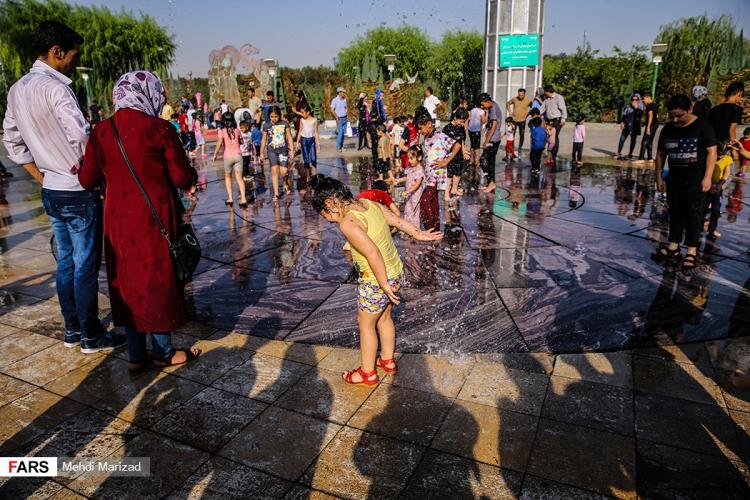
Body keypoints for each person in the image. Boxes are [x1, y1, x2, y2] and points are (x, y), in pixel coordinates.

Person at [3, 20, 125, 353]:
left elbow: (12, 144)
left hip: (52, 189)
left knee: (66, 262)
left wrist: (42, 176)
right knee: (85, 263)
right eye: (72, 55)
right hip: (76, 189)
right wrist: (97, 177)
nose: (74, 61)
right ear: (57, 52)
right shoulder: (56, 88)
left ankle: (72, 330)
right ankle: (91, 335)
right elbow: (83, 137)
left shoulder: (16, 90)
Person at [79, 70, 199, 369]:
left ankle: (135, 355)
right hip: (155, 215)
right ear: (150, 93)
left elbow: (86, 179)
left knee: (127, 279)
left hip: (118, 218)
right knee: (155, 278)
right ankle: (163, 351)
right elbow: (182, 177)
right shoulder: (159, 128)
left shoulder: (102, 131)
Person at [310, 175, 442, 385]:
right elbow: (396, 221)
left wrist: (382, 284)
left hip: (377, 280)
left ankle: (367, 372)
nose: (326, 219)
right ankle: (387, 360)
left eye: (324, 214)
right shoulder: (369, 204)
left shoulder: (349, 223)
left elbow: (372, 253)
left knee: (366, 324)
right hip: (395, 271)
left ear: (330, 204)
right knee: (384, 317)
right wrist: (418, 234)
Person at [654, 93, 717, 273]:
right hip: (674, 178)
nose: (675, 119)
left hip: (696, 179)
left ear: (690, 109)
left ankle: (691, 250)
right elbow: (660, 154)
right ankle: (673, 246)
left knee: (693, 214)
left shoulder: (703, 126)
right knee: (674, 212)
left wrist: (707, 177)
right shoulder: (667, 129)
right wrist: (658, 176)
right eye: (672, 115)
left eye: (679, 115)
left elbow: (712, 152)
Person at [416, 113, 455, 229]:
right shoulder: (427, 137)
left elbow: (456, 145)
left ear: (429, 124)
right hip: (429, 175)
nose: (419, 131)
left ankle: (429, 228)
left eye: (420, 128)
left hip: (437, 175)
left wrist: (446, 161)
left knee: (424, 201)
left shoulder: (439, 135)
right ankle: (435, 228)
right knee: (433, 202)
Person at [213, 111, 249, 208]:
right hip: (238, 156)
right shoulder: (237, 130)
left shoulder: (222, 131)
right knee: (239, 179)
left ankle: (230, 198)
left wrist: (215, 154)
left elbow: (220, 142)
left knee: (228, 177)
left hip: (228, 157)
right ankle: (243, 199)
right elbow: (241, 141)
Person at [260, 105, 295, 199]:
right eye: (272, 116)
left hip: (283, 150)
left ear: (279, 115)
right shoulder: (266, 125)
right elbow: (263, 140)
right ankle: (276, 193)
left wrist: (292, 151)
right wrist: (261, 153)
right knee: (274, 170)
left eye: (276, 116)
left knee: (284, 171)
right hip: (272, 151)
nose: (274, 118)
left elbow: (289, 137)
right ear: (269, 116)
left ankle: (284, 183)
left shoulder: (284, 124)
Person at [704, 140, 732, 240]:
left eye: (722, 154)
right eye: (719, 154)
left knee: (715, 210)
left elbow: (727, 173)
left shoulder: (728, 159)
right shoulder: (709, 156)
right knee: (702, 209)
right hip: (706, 186)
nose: (720, 157)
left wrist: (721, 185)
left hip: (717, 188)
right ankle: (698, 227)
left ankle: (712, 230)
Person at [442, 108, 469, 201]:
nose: (462, 124)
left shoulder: (461, 127)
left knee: (457, 173)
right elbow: (443, 143)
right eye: (461, 121)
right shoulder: (447, 129)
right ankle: (446, 193)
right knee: (449, 175)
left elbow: (461, 141)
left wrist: (464, 151)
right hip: (450, 154)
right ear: (455, 117)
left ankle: (454, 189)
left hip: (458, 155)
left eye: (464, 122)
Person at [479, 93, 503, 193]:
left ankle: (492, 183)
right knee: (488, 161)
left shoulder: (493, 108)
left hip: (493, 139)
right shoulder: (492, 106)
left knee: (485, 161)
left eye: (482, 104)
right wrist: (485, 127)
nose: (482, 106)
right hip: (493, 138)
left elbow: (494, 125)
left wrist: (486, 141)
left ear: (487, 101)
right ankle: (490, 182)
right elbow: (491, 123)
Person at [538, 85, 567, 164]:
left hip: (557, 120)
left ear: (548, 91)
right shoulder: (546, 99)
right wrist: (536, 114)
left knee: (554, 137)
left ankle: (553, 155)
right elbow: (542, 108)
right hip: (548, 120)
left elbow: (563, 108)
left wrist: (564, 118)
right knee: (548, 137)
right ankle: (549, 155)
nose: (545, 94)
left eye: (545, 92)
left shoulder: (558, 97)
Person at [296, 104, 320, 178]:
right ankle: (307, 176)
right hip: (303, 140)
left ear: (308, 112)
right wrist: (297, 142)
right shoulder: (302, 120)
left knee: (313, 159)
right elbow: (300, 131)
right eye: (301, 112)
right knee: (306, 159)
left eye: (303, 112)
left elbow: (316, 132)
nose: (302, 114)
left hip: (312, 140)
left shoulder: (314, 120)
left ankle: (314, 175)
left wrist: (318, 145)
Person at [617, 94, 643, 160]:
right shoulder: (628, 107)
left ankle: (630, 154)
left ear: (638, 100)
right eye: (633, 99)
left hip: (635, 127)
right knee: (622, 139)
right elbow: (624, 116)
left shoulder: (640, 107)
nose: (634, 101)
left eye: (636, 99)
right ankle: (618, 153)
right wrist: (622, 122)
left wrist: (636, 108)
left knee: (633, 140)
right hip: (627, 126)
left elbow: (639, 115)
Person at [637, 92, 658, 163]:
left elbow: (651, 116)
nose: (643, 101)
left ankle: (641, 158)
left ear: (648, 97)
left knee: (644, 141)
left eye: (643, 99)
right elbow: (656, 116)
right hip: (655, 124)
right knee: (650, 142)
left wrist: (648, 127)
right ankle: (650, 158)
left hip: (651, 125)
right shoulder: (654, 105)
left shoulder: (650, 106)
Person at [369, 89, 388, 162]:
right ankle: (378, 156)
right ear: (377, 95)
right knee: (377, 138)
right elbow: (379, 113)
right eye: (381, 95)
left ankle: (377, 155)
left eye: (383, 96)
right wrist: (383, 120)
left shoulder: (377, 101)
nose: (382, 97)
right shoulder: (377, 102)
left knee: (377, 139)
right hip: (378, 121)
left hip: (378, 120)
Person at [468, 102, 485, 172]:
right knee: (477, 146)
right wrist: (486, 115)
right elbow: (484, 121)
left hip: (470, 129)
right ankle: (477, 161)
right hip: (477, 130)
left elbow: (469, 118)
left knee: (472, 144)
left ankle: (471, 160)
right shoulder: (481, 111)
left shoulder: (472, 110)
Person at [330, 86, 348, 152]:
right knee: (340, 132)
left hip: (345, 118)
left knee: (343, 133)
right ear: (339, 92)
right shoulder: (334, 100)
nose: (344, 93)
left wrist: (346, 112)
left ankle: (341, 146)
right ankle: (338, 147)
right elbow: (332, 110)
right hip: (339, 118)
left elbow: (346, 107)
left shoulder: (344, 99)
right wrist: (336, 117)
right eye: (343, 92)